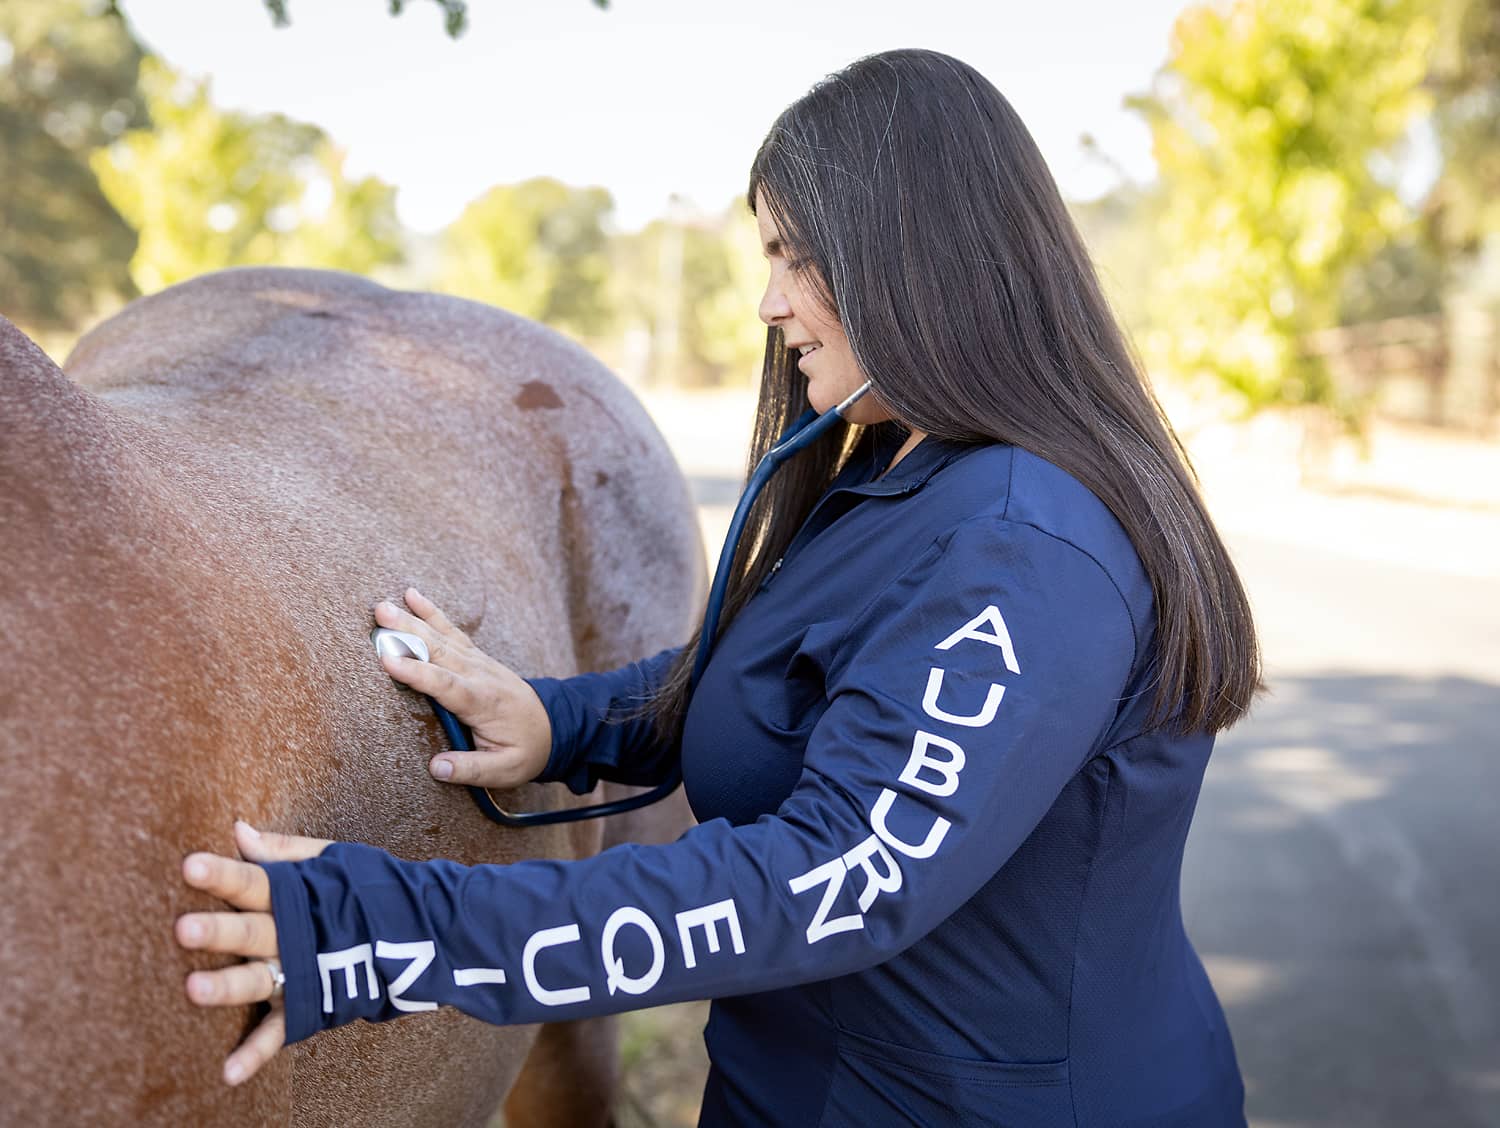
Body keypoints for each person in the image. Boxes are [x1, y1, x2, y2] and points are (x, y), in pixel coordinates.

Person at [175, 48, 1260, 1126]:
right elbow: (793, 689)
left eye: (796, 259)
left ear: (917, 260)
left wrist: (388, 930)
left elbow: (831, 882)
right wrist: (560, 721)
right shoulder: (898, 473)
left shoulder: (1025, 548)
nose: (767, 305)